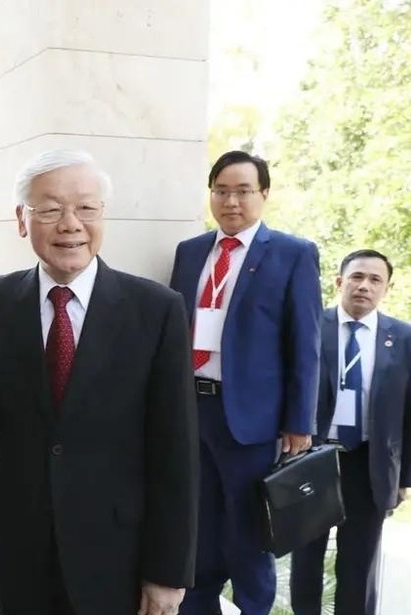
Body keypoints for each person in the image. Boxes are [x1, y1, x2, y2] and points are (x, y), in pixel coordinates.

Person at [0, 149, 200, 615]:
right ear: (21, 219)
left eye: (86, 208)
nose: (70, 224)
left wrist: (168, 571)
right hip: (20, 551)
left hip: (119, 557)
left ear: (102, 216)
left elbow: (175, 450)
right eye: (50, 209)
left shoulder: (156, 310)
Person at [168, 150, 322, 615]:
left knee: (249, 531)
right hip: (193, 409)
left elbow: (306, 343)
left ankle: (254, 607)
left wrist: (299, 422)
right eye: (221, 191)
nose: (230, 201)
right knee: (197, 526)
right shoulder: (191, 252)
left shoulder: (293, 254)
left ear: (264, 194)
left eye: (242, 191)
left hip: (251, 420)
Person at [290, 249, 411, 615]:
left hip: (370, 463)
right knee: (306, 561)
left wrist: (403, 477)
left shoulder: (403, 338)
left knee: (359, 566)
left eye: (375, 280)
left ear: (386, 289)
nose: (364, 286)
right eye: (357, 277)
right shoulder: (311, 326)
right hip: (313, 460)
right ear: (340, 282)